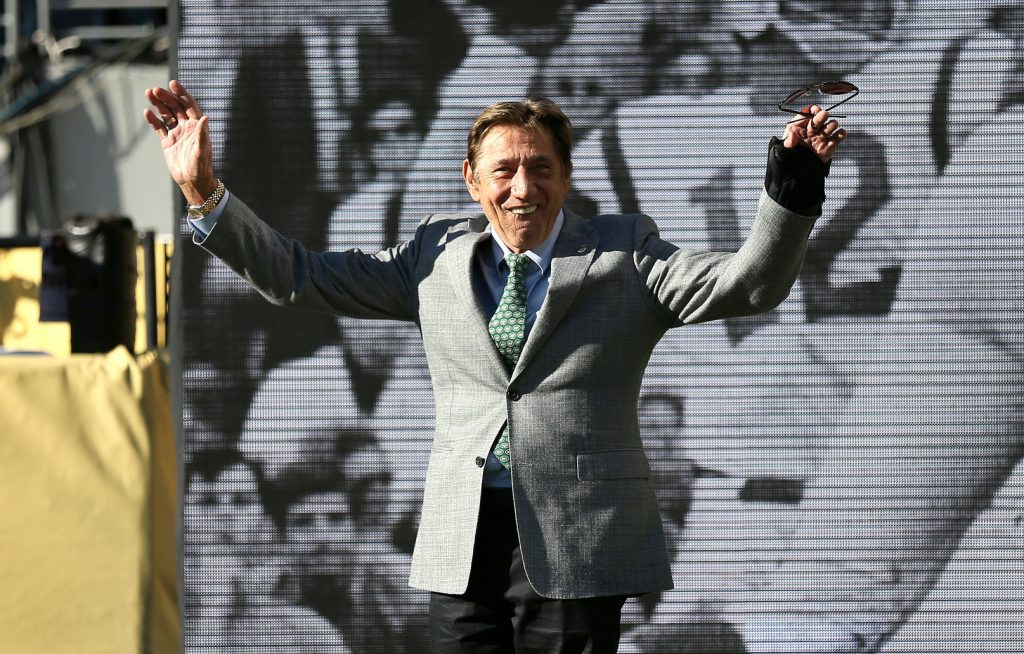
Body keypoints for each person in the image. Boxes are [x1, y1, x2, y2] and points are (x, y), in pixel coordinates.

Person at [145, 78, 844, 651]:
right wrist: (204, 192)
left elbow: (751, 284)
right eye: (503, 169)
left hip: (576, 543)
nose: (522, 187)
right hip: (462, 537)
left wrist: (794, 183)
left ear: (565, 178)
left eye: (541, 168)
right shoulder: (433, 255)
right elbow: (297, 275)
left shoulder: (626, 254)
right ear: (472, 181)